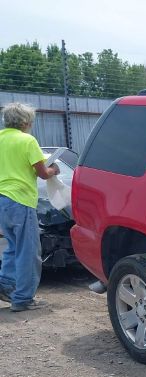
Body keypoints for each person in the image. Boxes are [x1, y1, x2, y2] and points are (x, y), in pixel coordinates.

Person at [0, 102, 59, 311]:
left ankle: (6, 285)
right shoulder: (27, 140)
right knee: (29, 251)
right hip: (21, 200)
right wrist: (54, 169)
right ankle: (23, 298)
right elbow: (43, 173)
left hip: (2, 200)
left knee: (13, 246)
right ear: (25, 122)